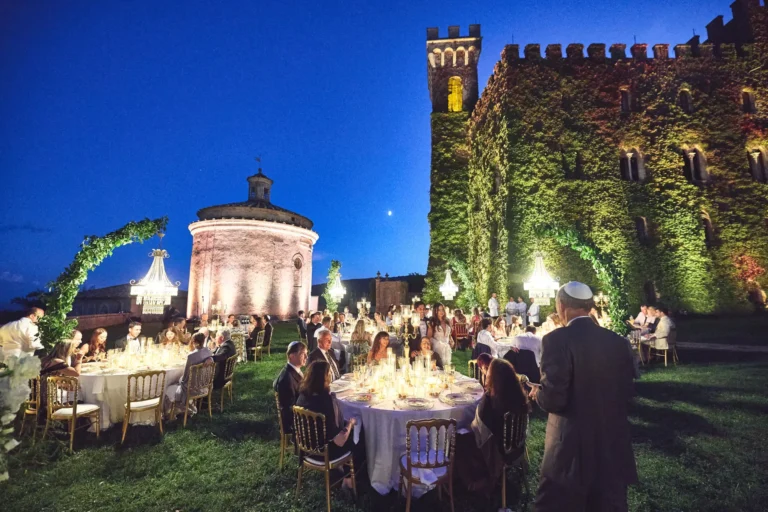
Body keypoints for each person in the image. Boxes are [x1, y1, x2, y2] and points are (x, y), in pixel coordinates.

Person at [529, 282, 637, 511]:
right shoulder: (617, 342)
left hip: (570, 449)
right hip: (612, 443)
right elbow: (628, 392)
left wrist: (538, 392)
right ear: (589, 307)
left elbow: (554, 400)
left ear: (561, 305)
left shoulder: (556, 340)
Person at [456, 358, 531, 493]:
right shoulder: (519, 397)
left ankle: (474, 482)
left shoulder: (491, 401)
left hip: (497, 451)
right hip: (516, 446)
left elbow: (479, 429)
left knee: (458, 438)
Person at [295, 361, 359, 491]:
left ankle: (342, 470)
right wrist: (350, 424)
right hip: (324, 452)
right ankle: (348, 481)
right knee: (357, 438)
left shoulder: (302, 395)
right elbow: (340, 441)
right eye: (329, 374)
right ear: (325, 377)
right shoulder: (325, 401)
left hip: (306, 449)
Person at [167, 332, 213, 415]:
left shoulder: (191, 356)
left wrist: (179, 381)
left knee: (168, 387)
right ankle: (187, 406)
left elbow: (186, 376)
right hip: (205, 385)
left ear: (194, 342)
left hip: (192, 388)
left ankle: (171, 412)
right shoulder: (208, 352)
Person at [274, 341, 308, 436]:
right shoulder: (287, 379)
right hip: (296, 421)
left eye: (306, 354)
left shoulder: (294, 370)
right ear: (292, 356)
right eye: (303, 354)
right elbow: (288, 408)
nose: (306, 357)